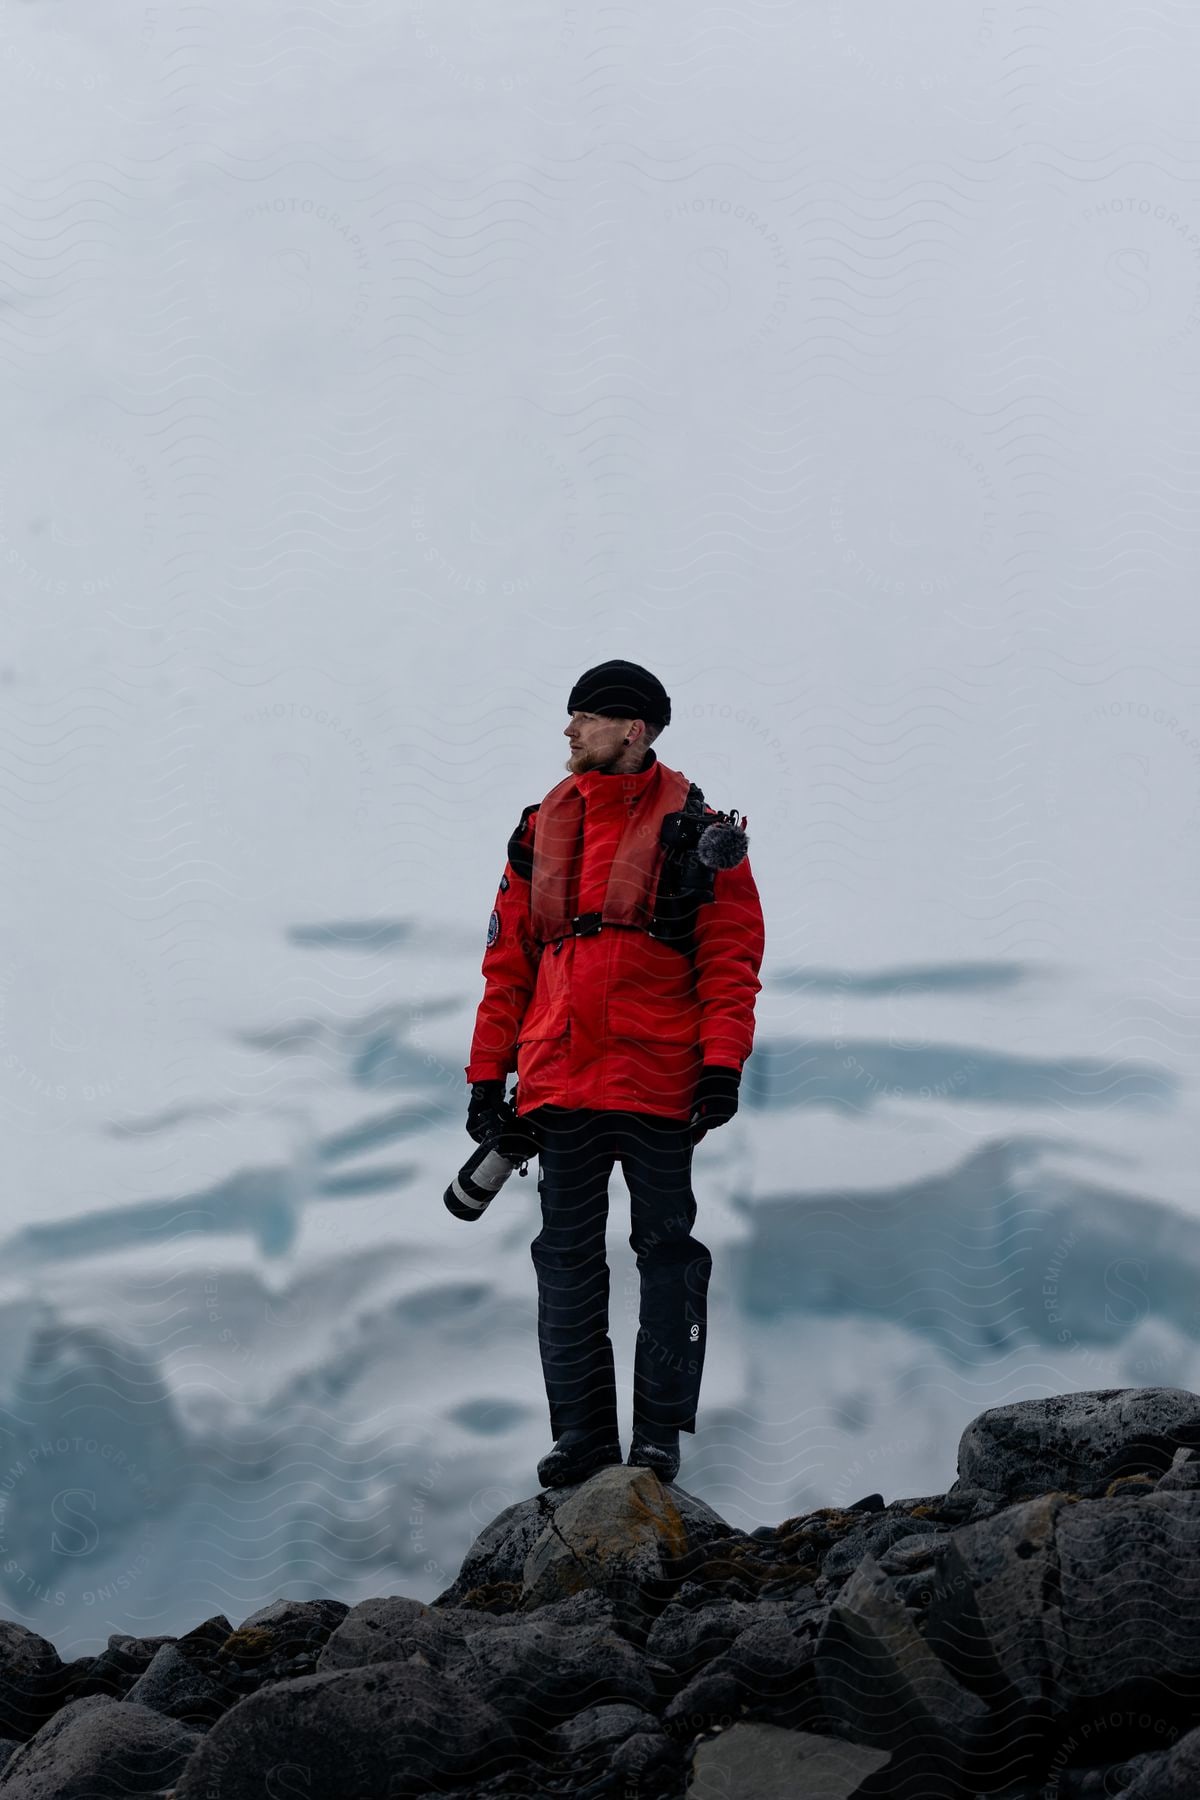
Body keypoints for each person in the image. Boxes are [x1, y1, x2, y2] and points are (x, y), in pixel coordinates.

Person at [463, 660, 765, 1489]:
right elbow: (507, 961)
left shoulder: (702, 833)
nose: (568, 731)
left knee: (665, 1254)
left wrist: (721, 1065)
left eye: (584, 718)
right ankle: (585, 1439)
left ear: (635, 729)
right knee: (564, 1257)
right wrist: (488, 1076)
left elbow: (732, 960)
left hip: (662, 1081)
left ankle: (658, 1436)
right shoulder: (538, 828)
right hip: (558, 1082)